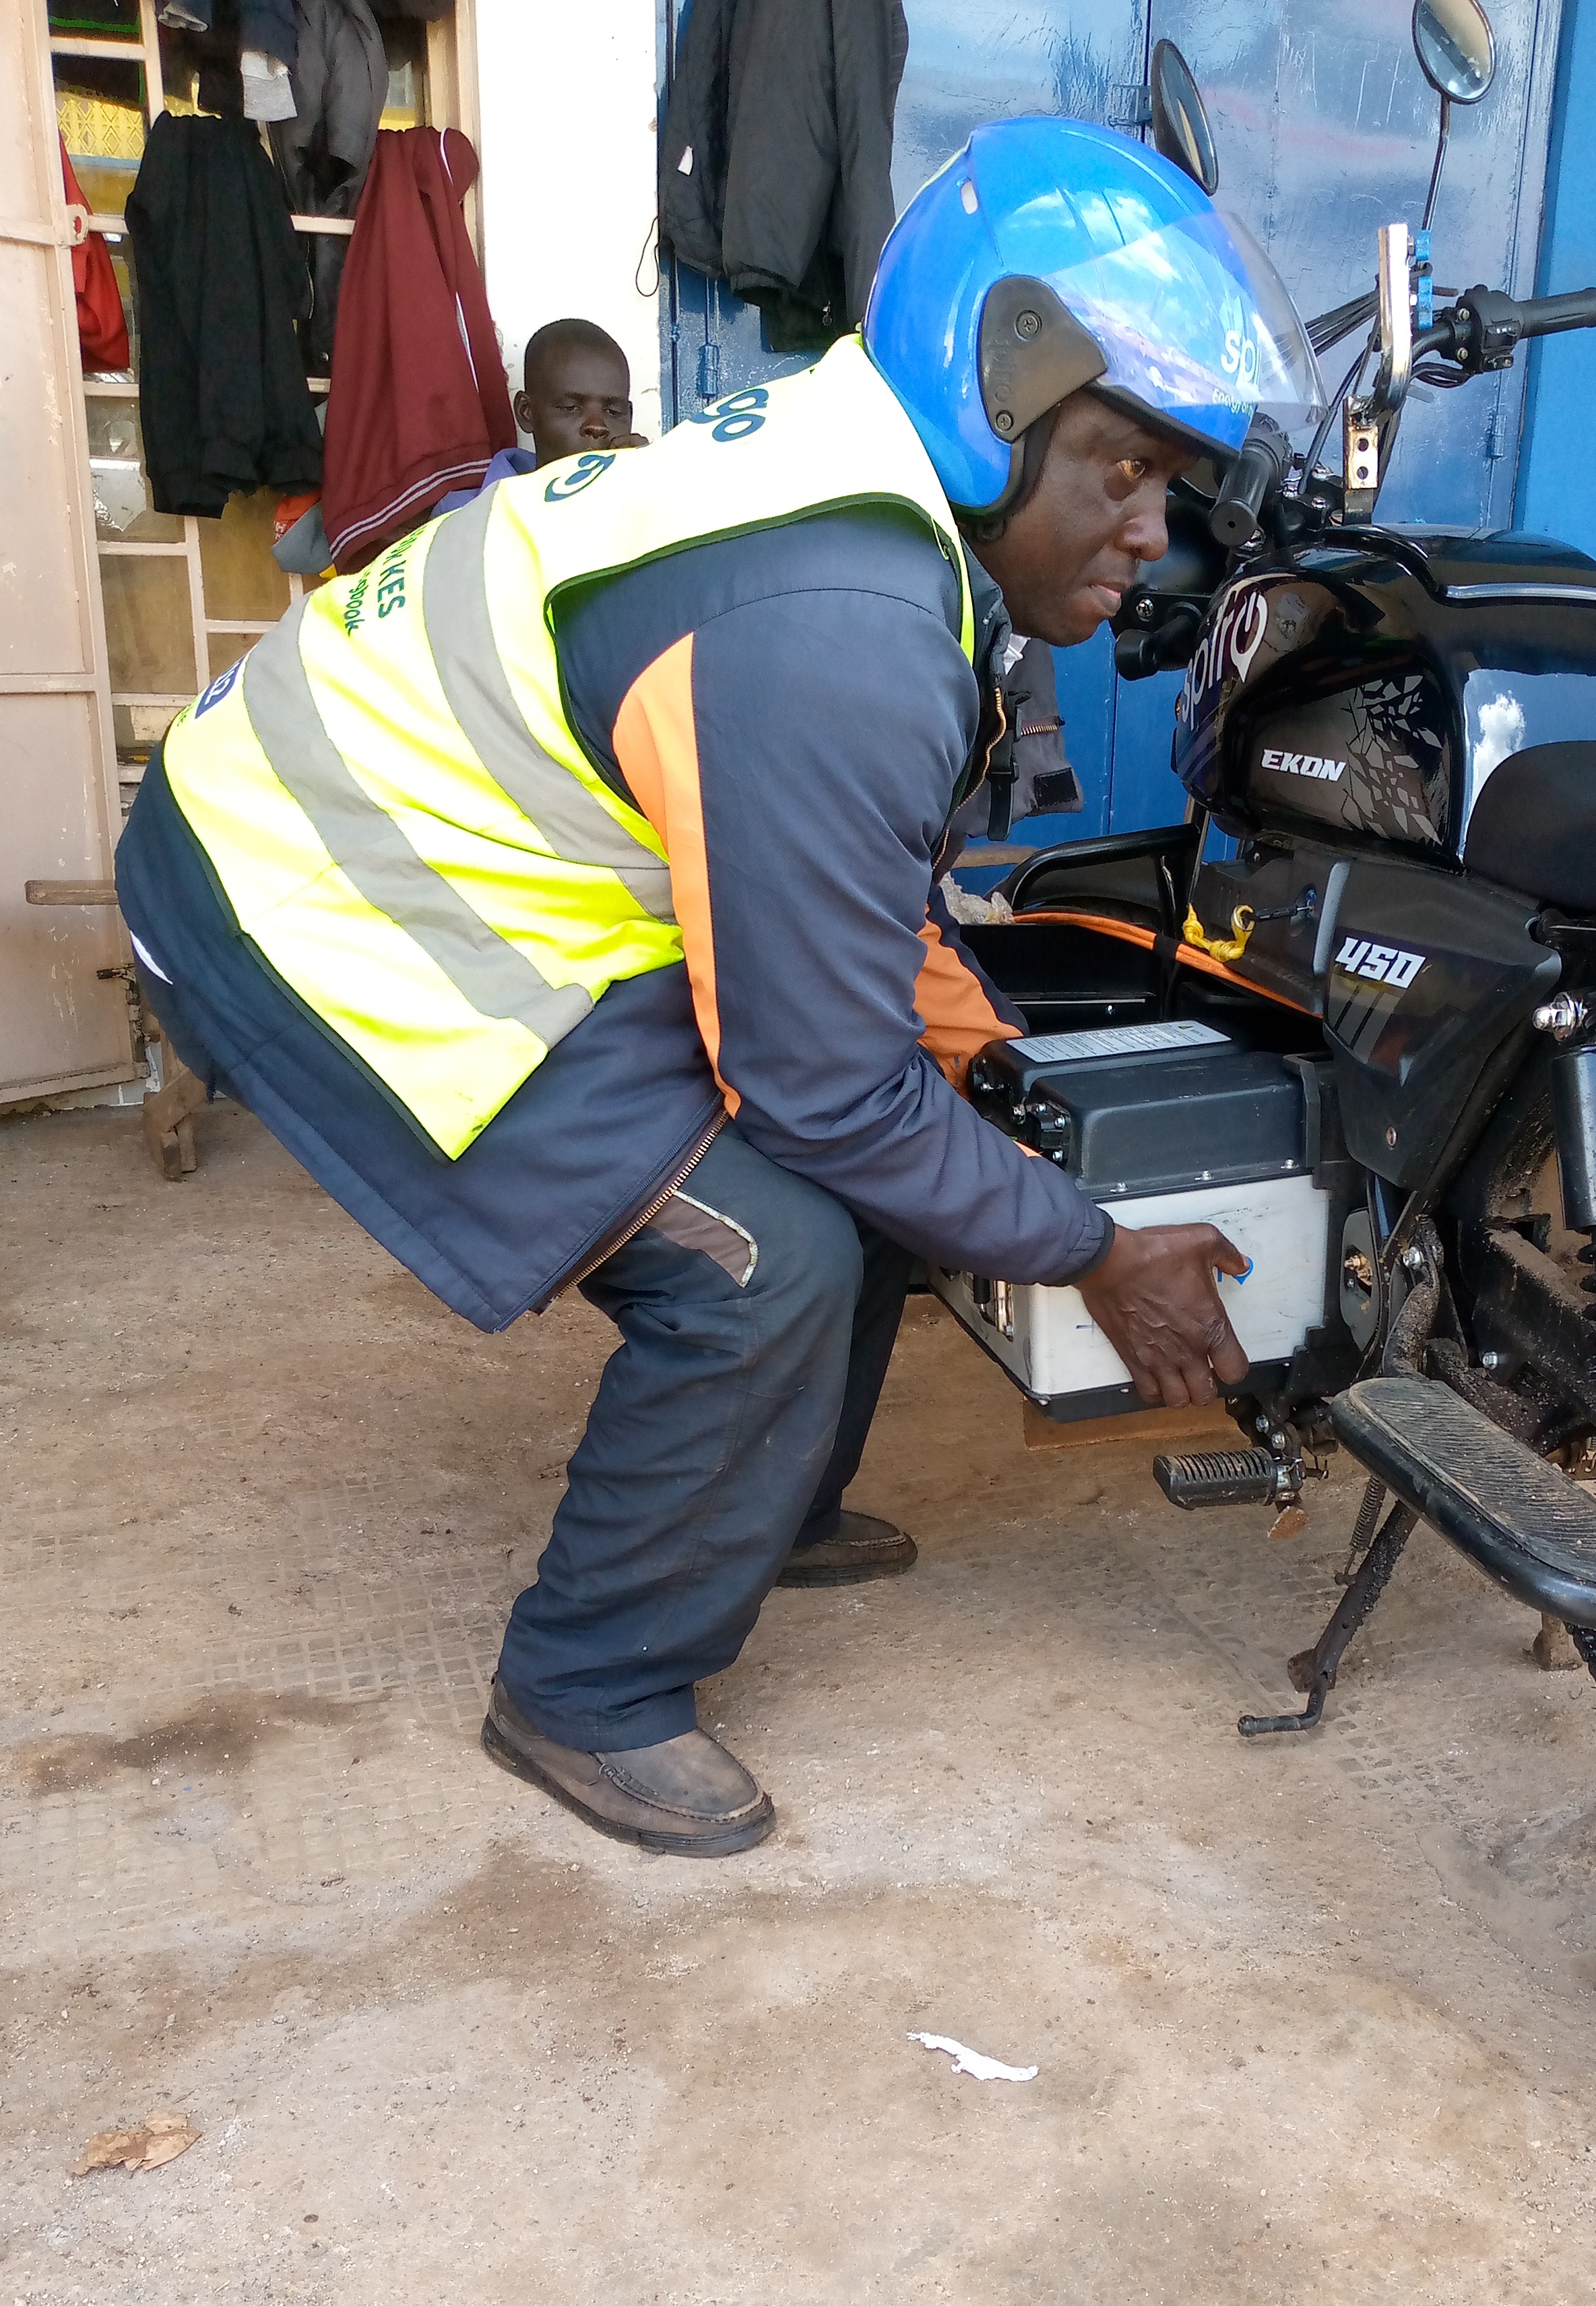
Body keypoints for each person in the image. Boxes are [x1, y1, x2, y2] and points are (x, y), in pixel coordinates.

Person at [114, 115, 1274, 1861]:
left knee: (888, 1135)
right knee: (766, 1243)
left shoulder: (872, 501)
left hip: (434, 835)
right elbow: (819, 1089)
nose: (1149, 532)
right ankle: (587, 1684)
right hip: (295, 889)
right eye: (1125, 469)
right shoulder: (847, 614)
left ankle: (768, 1502)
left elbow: (854, 937)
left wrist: (984, 1061)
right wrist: (1095, 1246)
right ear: (1003, 390)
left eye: (1172, 485)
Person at [432, 317, 644, 513]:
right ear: (526, 412)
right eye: (570, 407)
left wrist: (653, 486)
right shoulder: (461, 515)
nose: (597, 426)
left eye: (614, 412)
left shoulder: (648, 497)